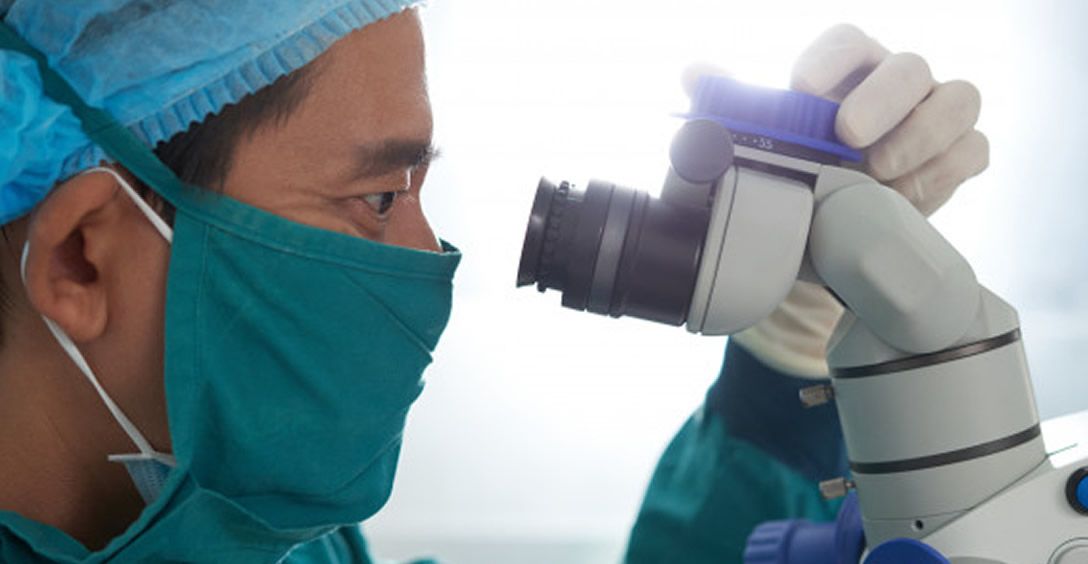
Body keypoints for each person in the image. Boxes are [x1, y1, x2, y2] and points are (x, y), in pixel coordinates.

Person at [0, 2, 986, 562]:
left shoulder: (267, 537)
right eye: (378, 198)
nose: (431, 256)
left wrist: (784, 354)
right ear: (83, 254)